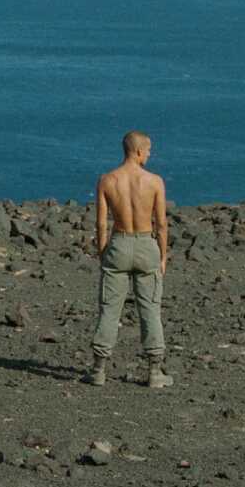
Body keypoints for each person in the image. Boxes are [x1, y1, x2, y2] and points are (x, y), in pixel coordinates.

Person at [81, 131, 173, 387]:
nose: (151, 154)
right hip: (146, 244)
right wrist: (163, 256)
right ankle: (155, 371)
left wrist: (102, 251)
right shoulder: (155, 181)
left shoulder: (107, 180)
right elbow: (162, 224)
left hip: (119, 243)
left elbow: (101, 223)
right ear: (139, 151)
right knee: (150, 308)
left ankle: (99, 369)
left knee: (110, 309)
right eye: (149, 150)